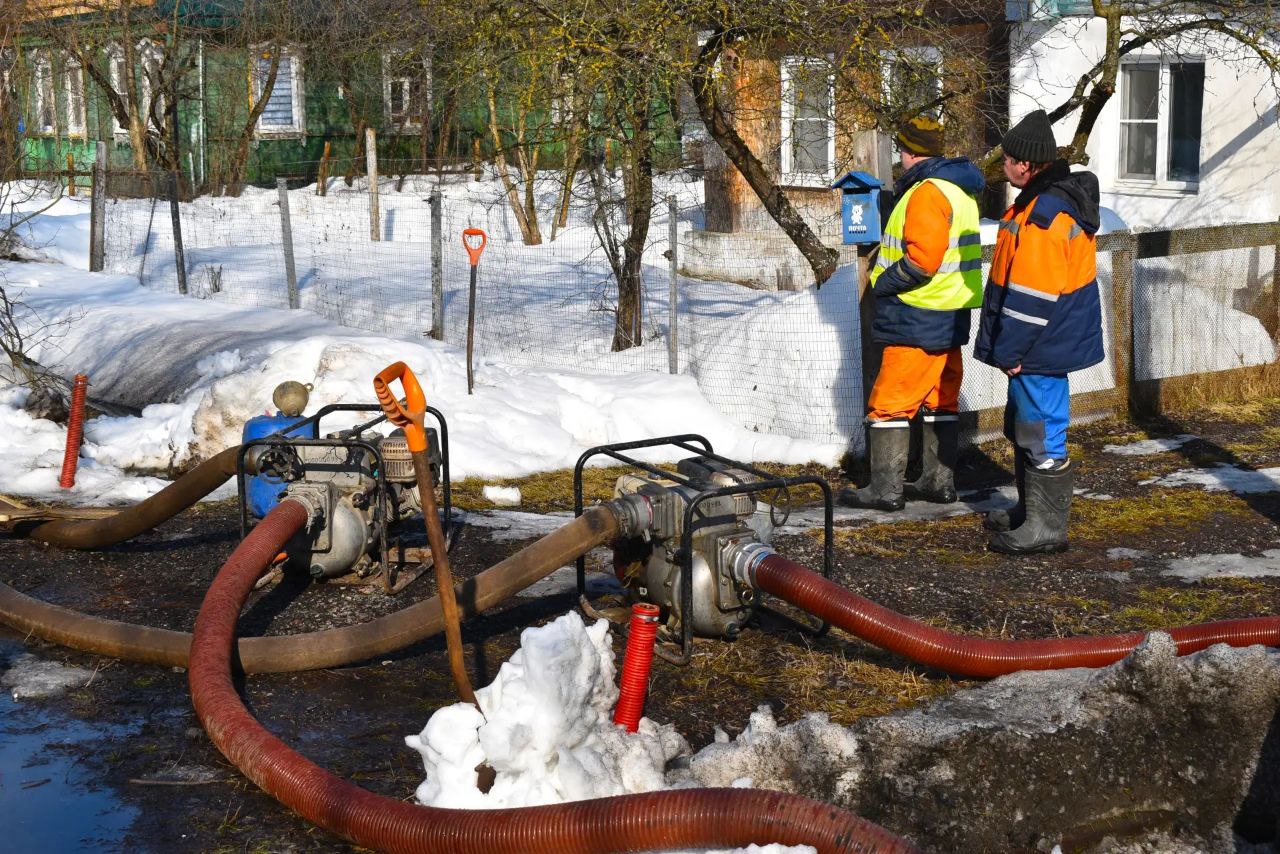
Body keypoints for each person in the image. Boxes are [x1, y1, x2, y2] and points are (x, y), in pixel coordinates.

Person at [974, 109, 1104, 553]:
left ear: (1026, 165)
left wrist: (1009, 350)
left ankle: (1046, 530)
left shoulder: (1046, 215)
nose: (1003, 166)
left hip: (1038, 344)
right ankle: (1031, 514)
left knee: (1043, 430)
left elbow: (1031, 298)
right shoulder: (1035, 204)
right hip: (1040, 343)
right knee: (1026, 426)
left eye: (1007, 159)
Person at [840, 115, 985, 511]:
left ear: (908, 153)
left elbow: (922, 261)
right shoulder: (961, 191)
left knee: (889, 401)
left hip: (918, 313)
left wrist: (881, 284)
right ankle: (938, 482)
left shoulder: (926, 193)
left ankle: (884, 490)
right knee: (941, 399)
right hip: (951, 311)